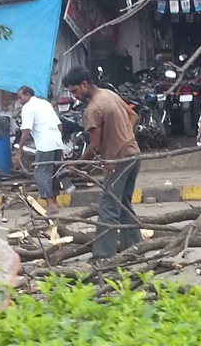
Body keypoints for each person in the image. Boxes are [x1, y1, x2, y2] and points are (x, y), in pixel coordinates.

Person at [62, 67, 141, 262]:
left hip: (118, 160)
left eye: (74, 91)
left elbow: (95, 146)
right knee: (123, 205)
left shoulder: (92, 109)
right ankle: (134, 248)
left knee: (108, 207)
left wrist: (77, 165)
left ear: (84, 84)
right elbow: (133, 116)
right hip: (133, 154)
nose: (74, 96)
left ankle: (102, 256)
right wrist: (125, 135)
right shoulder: (109, 94)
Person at [13, 86, 74, 216]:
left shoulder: (28, 107)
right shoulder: (45, 104)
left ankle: (50, 204)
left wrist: (19, 150)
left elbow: (26, 130)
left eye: (20, 97)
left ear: (28, 95)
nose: (20, 101)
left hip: (45, 145)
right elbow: (59, 125)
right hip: (56, 142)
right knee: (54, 173)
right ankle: (54, 202)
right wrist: (60, 144)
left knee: (41, 174)